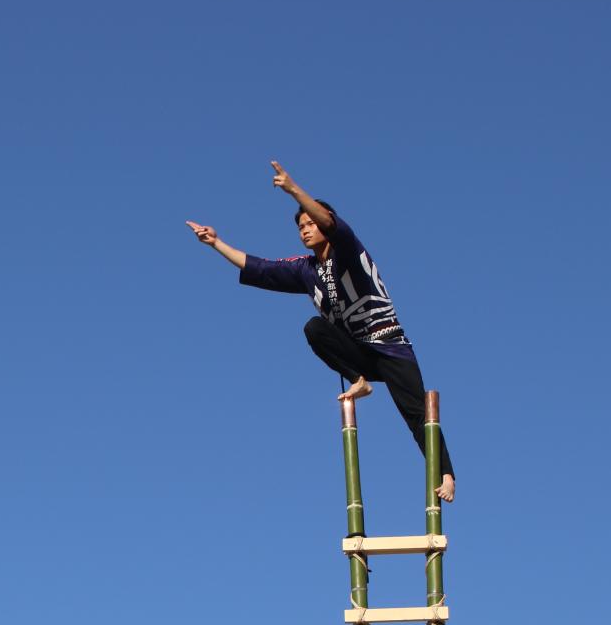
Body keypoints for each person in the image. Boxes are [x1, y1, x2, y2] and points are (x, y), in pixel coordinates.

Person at [187, 162, 455, 502]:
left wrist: (293, 190)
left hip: (390, 346)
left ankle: (446, 475)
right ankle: (359, 380)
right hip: (358, 352)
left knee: (417, 412)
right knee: (314, 328)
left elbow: (330, 222)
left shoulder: (348, 249)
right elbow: (260, 268)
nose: (306, 229)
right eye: (300, 226)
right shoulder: (305, 269)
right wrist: (216, 244)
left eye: (311, 223)